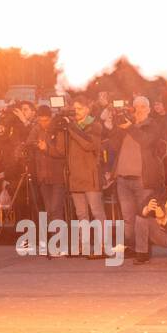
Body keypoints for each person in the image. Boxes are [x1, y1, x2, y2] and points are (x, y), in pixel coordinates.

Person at [108, 95, 164, 256]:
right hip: (123, 178)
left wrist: (130, 127)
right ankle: (131, 247)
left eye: (141, 107)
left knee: (143, 215)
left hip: (143, 179)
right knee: (128, 217)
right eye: (135, 107)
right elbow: (113, 144)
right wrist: (115, 125)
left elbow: (146, 142)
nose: (138, 110)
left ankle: (143, 250)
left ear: (148, 109)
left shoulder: (152, 125)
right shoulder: (127, 124)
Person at [61, 97, 107, 258]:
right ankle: (84, 245)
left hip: (90, 175)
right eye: (74, 109)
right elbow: (61, 150)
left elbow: (89, 145)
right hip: (75, 176)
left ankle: (102, 247)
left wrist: (71, 128)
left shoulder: (95, 125)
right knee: (81, 214)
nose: (76, 112)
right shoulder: (70, 127)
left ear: (88, 109)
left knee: (96, 212)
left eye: (79, 108)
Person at [31, 105, 69, 255]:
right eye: (40, 120)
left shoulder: (58, 129)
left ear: (51, 118)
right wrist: (35, 143)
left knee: (56, 209)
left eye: (46, 120)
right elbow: (29, 142)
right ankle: (54, 243)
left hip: (57, 175)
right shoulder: (36, 129)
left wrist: (46, 148)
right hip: (43, 176)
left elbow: (62, 151)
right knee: (49, 211)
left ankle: (61, 244)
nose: (43, 123)